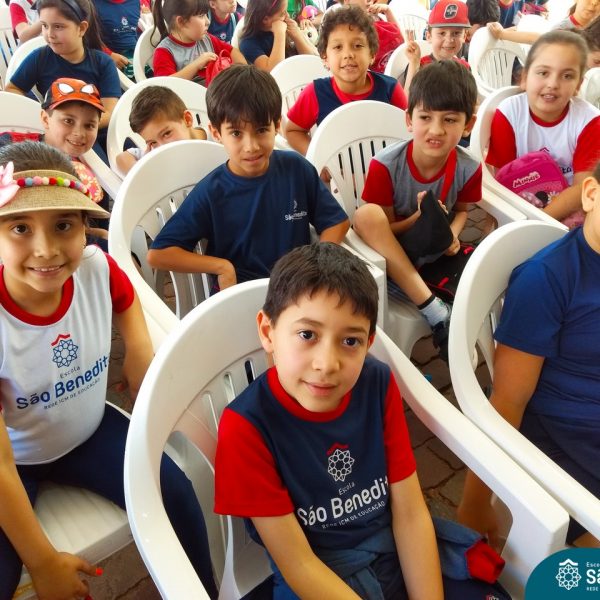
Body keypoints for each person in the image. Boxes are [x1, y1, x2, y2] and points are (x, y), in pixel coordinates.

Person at [0, 141, 219, 600]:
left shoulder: (94, 268)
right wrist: (42, 561)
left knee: (177, 495)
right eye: (20, 227)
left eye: (63, 225)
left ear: (85, 228)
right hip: (15, 462)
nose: (46, 250)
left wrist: (137, 348)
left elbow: (124, 294)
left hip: (89, 432)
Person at [214, 241, 444, 599]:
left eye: (350, 341)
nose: (327, 364)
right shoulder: (247, 426)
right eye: (307, 335)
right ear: (268, 331)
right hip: (318, 577)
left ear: (368, 343)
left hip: (393, 552)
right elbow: (299, 564)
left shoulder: (377, 383)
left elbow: (411, 514)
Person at [458, 160, 600, 549]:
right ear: (590, 195)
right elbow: (507, 401)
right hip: (570, 452)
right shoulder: (548, 278)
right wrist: (475, 503)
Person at [147, 65, 349, 290]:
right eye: (236, 133)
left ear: (276, 126)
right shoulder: (212, 191)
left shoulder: (296, 169)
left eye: (261, 130)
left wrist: (317, 265)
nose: (251, 146)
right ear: (216, 133)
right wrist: (221, 267)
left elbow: (337, 222)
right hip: (239, 297)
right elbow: (159, 254)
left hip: (295, 291)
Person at [352, 60, 481, 362]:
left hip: (436, 254)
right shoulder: (385, 165)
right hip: (393, 255)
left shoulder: (469, 167)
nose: (436, 130)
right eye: (425, 117)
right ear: (409, 120)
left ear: (468, 125)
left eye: (450, 120)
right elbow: (384, 229)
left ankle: (451, 321)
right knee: (366, 215)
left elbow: (462, 211)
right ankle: (436, 312)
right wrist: (418, 218)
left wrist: (452, 234)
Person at [485, 30, 600, 223]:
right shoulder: (508, 113)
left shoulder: (590, 121)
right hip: (521, 202)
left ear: (578, 85)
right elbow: (504, 179)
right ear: (524, 78)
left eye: (567, 76)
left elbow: (582, 189)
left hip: (573, 206)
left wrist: (539, 223)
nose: (553, 84)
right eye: (543, 73)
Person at [285, 5, 407, 155]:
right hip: (336, 170)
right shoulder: (315, 93)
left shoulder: (390, 89)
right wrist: (318, 159)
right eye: (338, 47)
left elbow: (409, 130)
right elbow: (292, 131)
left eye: (357, 45)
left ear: (372, 54)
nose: (348, 54)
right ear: (325, 57)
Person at [4, 0, 121, 133]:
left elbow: (109, 112)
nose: (50, 34)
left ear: (81, 28)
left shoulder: (104, 63)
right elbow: (13, 89)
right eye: (44, 26)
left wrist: (76, 124)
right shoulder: (39, 57)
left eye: (58, 26)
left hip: (93, 134)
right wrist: (39, 114)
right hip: (53, 134)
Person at [116, 85, 208, 175]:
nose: (162, 147)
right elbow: (122, 158)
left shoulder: (216, 136)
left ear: (187, 119)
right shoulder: (157, 154)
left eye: (166, 133)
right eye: (153, 142)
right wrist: (143, 171)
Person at [152, 0, 246, 85]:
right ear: (181, 22)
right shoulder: (163, 51)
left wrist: (244, 70)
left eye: (206, 15)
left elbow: (232, 51)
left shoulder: (206, 39)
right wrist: (197, 65)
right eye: (201, 16)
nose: (208, 21)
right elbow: (165, 85)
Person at [403, 0, 471, 93]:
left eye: (456, 33)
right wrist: (414, 63)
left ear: (464, 36)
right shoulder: (419, 66)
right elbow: (407, 100)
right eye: (442, 33)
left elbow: (472, 99)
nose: (449, 40)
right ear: (428, 36)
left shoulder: (464, 68)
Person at [238, 0, 318, 72]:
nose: (287, 16)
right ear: (265, 19)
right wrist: (280, 34)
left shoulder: (285, 26)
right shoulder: (248, 43)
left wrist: (297, 35)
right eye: (282, 14)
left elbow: (313, 60)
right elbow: (274, 71)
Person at [341, 0, 403, 73]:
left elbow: (403, 43)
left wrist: (388, 11)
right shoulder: (348, 29)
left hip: (403, 66)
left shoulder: (379, 16)